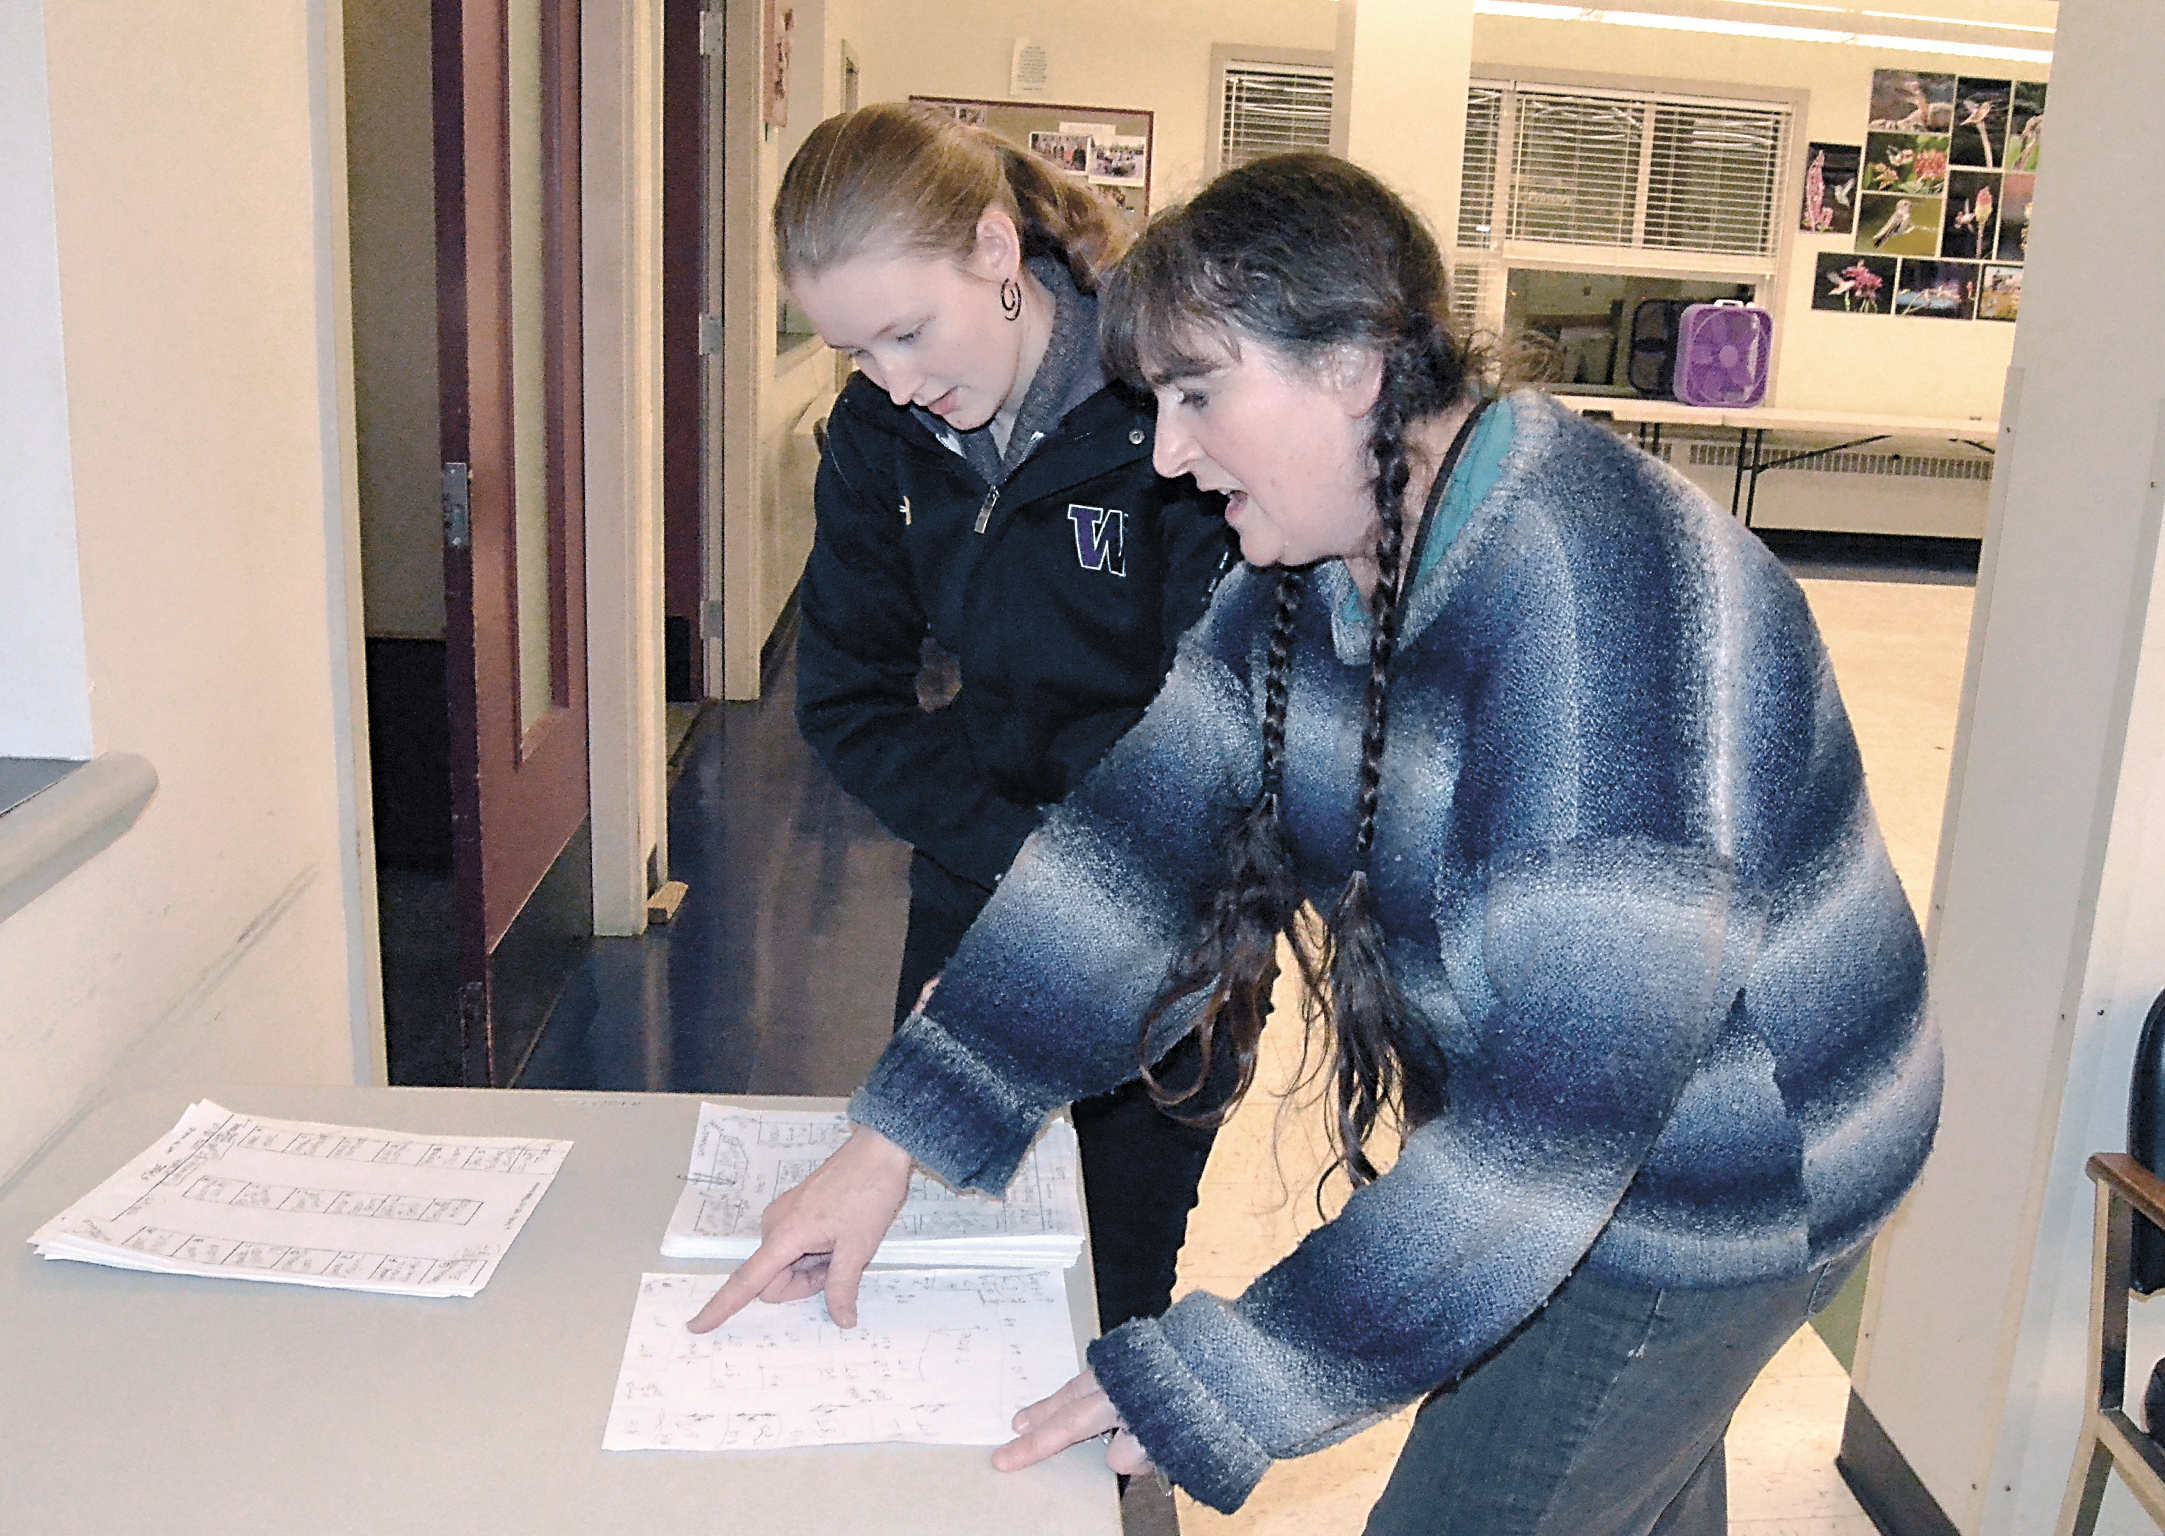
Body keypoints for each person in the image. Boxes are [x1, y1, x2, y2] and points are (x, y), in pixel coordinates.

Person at [697, 152, 1941, 1535]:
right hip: (1580, 1129)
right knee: (1618, 1482)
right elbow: (1130, 855)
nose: (1164, 455)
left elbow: (1550, 1146)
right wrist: (892, 1143)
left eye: (1194, 396)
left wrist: (1214, 1382)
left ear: (1352, 365)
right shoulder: (1308, 563)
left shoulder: (1601, 630)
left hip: (1718, 1172)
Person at [774, 103, 1237, 1334]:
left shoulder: (1171, 413)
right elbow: (846, 697)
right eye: (855, 353)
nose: (895, 384)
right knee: (933, 1253)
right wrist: (1007, 849)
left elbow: (1224, 734)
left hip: (1176, 904)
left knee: (1111, 1286)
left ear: (994, 250)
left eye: (909, 333)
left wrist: (1084, 880)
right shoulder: (883, 432)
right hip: (979, 872)